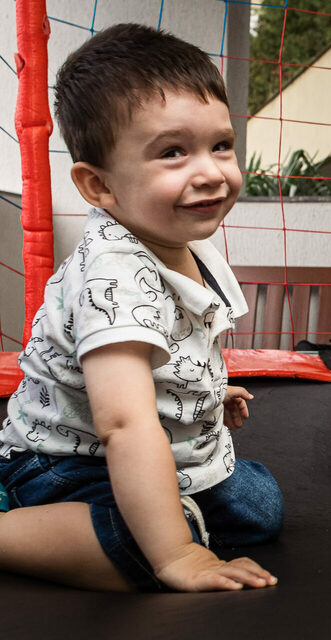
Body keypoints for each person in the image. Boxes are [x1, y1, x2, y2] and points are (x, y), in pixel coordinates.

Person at [0, 24, 282, 592]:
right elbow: (123, 422)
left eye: (220, 145)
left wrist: (205, 392)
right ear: (99, 186)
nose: (211, 172)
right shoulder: (115, 274)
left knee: (258, 504)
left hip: (143, 446)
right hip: (63, 463)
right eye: (173, 152)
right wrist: (177, 554)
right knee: (143, 549)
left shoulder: (182, 242)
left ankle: (168, 519)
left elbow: (173, 352)